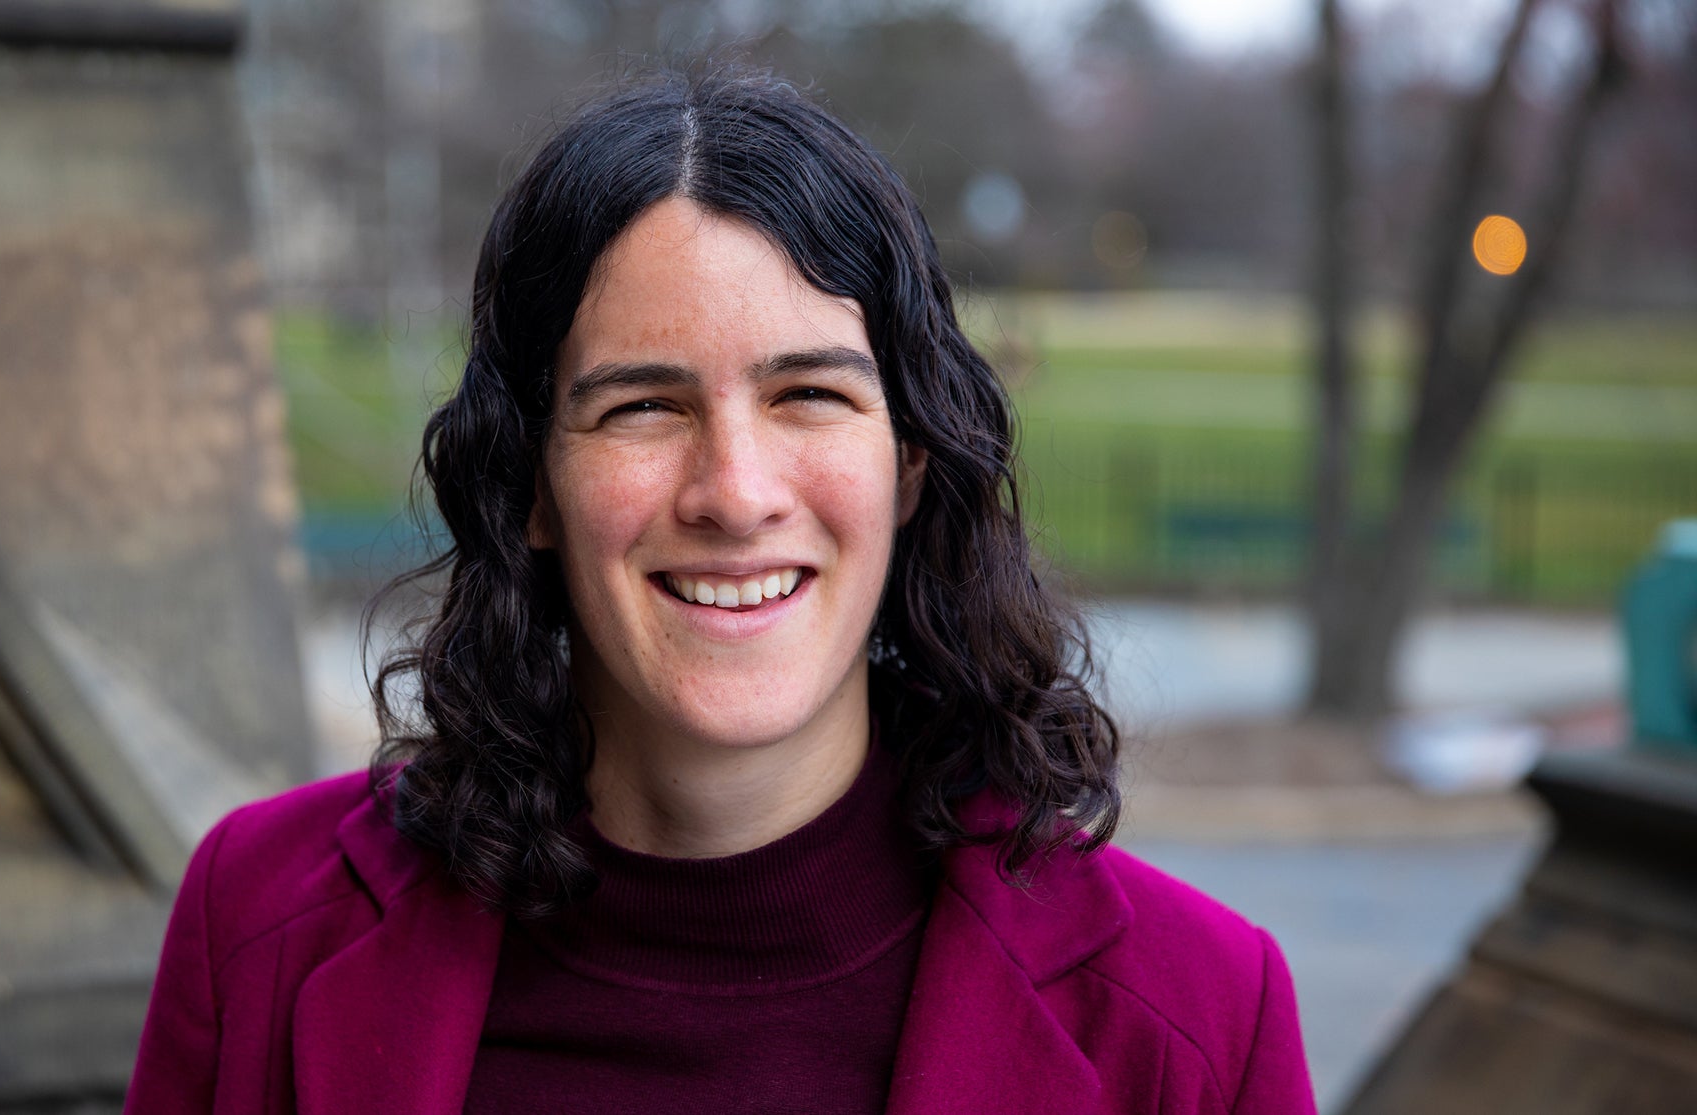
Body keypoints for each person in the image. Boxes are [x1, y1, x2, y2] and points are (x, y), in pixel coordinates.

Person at [127, 67, 1316, 1115]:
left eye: (809, 394)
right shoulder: (258, 925)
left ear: (910, 463)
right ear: (527, 482)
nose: (734, 493)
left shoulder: (1196, 1017)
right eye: (641, 405)